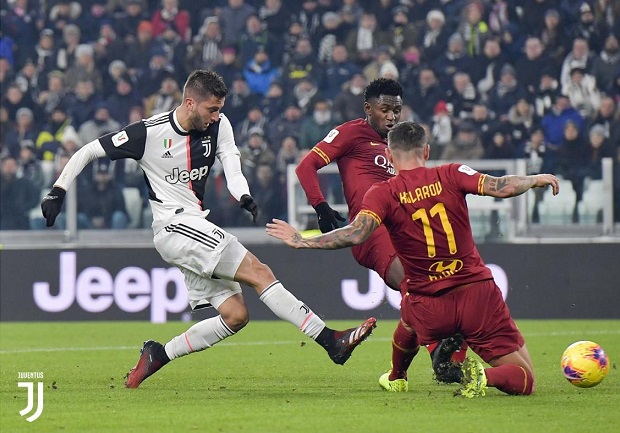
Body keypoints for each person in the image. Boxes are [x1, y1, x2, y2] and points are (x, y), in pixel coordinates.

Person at [40, 69, 376, 388]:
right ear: (189, 103)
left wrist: (242, 193)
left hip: (193, 226)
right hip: (174, 225)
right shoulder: (148, 132)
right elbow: (88, 150)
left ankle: (159, 353)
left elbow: (230, 158)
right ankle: (329, 339)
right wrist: (58, 190)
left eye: (219, 109)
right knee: (260, 272)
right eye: (211, 109)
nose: (216, 116)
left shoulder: (219, 124)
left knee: (236, 315)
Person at [268, 120, 561, 397]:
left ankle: (397, 377)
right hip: (476, 294)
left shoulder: (382, 193)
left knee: (409, 317)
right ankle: (483, 376)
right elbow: (503, 186)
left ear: (389, 155)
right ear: (427, 151)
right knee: (525, 377)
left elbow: (355, 234)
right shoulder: (452, 173)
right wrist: (535, 179)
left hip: (428, 306)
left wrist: (303, 241)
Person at [295, 78, 466, 390]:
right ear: (368, 108)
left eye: (396, 110)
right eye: (385, 109)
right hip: (371, 229)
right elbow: (305, 166)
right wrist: (320, 206)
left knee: (436, 288)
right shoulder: (350, 133)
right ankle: (438, 351)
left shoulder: (399, 144)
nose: (391, 116)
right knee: (415, 285)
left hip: (404, 229)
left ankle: (401, 375)